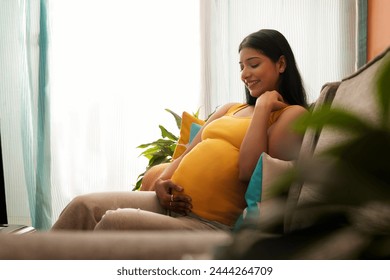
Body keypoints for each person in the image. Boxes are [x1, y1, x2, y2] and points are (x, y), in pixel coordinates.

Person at [51, 29, 308, 232]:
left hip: (208, 224)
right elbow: (187, 153)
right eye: (241, 66)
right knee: (82, 206)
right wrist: (162, 183)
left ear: (281, 64)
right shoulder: (230, 108)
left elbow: (250, 172)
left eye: (253, 64)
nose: (244, 74)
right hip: (168, 207)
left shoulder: (292, 115)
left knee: (115, 222)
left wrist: (263, 109)